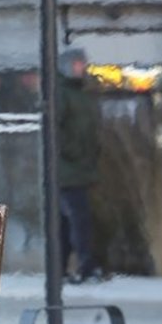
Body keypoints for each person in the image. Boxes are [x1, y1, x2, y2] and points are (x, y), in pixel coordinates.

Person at [56, 46, 106, 283]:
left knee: (67, 222)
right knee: (78, 220)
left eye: (82, 64)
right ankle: (85, 266)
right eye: (76, 64)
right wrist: (74, 152)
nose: (81, 68)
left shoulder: (80, 94)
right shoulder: (60, 94)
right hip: (67, 170)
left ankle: (61, 268)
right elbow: (55, 130)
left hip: (79, 169)